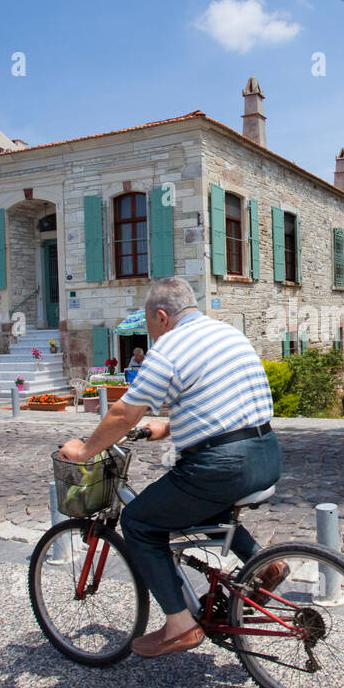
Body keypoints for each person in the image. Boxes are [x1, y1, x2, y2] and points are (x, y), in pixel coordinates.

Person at [58, 277, 287, 658]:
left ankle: (180, 624)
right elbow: (217, 404)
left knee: (139, 523)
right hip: (266, 454)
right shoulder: (228, 334)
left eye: (150, 328)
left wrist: (83, 451)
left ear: (162, 317)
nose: (151, 337)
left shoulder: (170, 348)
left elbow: (122, 412)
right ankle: (264, 563)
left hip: (220, 465)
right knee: (207, 506)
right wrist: (162, 429)